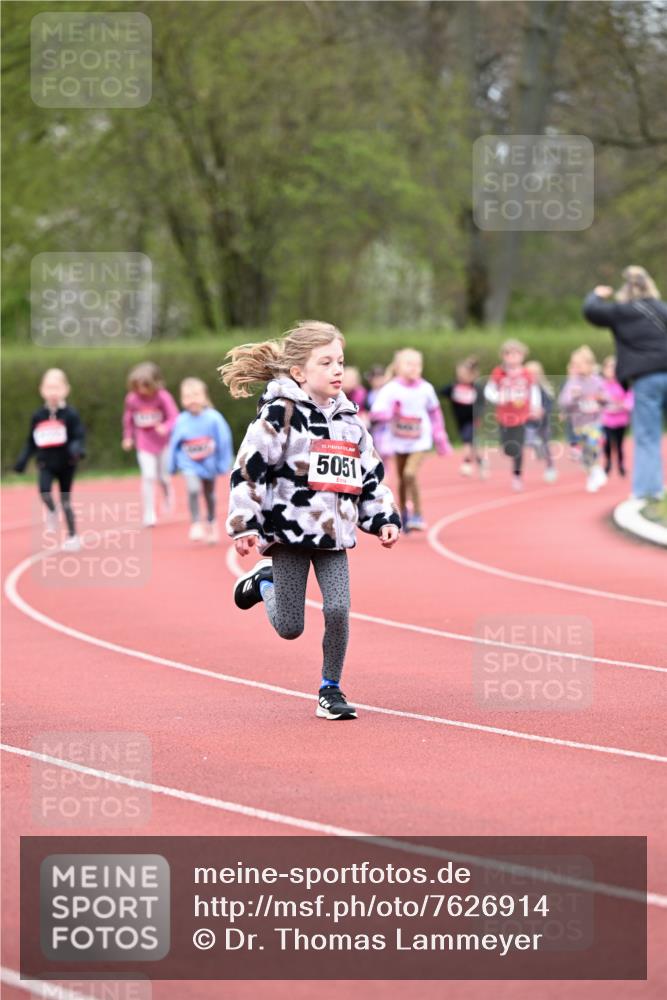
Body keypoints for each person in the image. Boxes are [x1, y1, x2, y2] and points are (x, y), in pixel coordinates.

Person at [221, 320, 401, 721]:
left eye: (340, 361)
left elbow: (369, 475)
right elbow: (249, 470)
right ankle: (263, 580)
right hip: (288, 534)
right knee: (289, 627)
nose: (338, 369)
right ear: (299, 372)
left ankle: (330, 689)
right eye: (326, 362)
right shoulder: (279, 414)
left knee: (338, 610)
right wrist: (245, 524)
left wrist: (383, 517)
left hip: (333, 537)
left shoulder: (352, 421)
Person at [583, 266, 667, 499]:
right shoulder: (663, 309)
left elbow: (591, 311)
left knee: (648, 436)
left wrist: (597, 294)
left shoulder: (622, 311)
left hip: (646, 377)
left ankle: (647, 491)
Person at [369, 348, 451, 531]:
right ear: (398, 367)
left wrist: (440, 437)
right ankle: (404, 513)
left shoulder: (426, 389)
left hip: (420, 441)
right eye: (410, 364)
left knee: (410, 474)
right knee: (402, 481)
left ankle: (418, 514)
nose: (415, 368)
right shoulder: (390, 389)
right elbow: (376, 413)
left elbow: (435, 413)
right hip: (398, 441)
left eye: (418, 364)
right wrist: (390, 412)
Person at [13, 368, 86, 551]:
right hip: (45, 463)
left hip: (66, 464)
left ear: (66, 389)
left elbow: (79, 435)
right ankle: (52, 511)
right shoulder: (38, 416)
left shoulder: (70, 414)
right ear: (41, 390)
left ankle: (73, 536)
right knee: (44, 491)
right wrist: (22, 461)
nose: (53, 392)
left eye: (57, 388)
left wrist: (77, 449)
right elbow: (31, 441)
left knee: (66, 500)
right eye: (49, 388)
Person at [168, 377, 234, 544]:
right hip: (188, 463)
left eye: (196, 395)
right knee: (193, 489)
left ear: (205, 397)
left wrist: (223, 463)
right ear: (182, 399)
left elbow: (224, 441)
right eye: (187, 396)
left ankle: (211, 523)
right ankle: (196, 523)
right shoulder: (181, 420)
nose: (192, 400)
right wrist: (171, 465)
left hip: (209, 464)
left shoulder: (214, 418)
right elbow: (174, 443)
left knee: (209, 495)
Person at [122, 362, 179, 527]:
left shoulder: (163, 396)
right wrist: (128, 437)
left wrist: (165, 427)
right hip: (143, 443)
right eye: (137, 386)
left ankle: (168, 494)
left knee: (163, 477)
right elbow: (128, 419)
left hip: (163, 444)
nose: (141, 391)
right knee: (148, 476)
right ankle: (149, 513)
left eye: (145, 386)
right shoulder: (132, 399)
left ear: (155, 383)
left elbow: (174, 417)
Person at [483, 340, 540, 491]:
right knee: (507, 448)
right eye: (509, 353)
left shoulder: (526, 373)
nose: (513, 357)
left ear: (523, 355)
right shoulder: (498, 372)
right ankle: (514, 457)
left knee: (518, 447)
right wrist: (499, 397)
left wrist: (535, 406)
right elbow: (489, 390)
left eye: (516, 353)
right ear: (503, 356)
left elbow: (533, 390)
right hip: (504, 416)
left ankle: (517, 476)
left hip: (521, 416)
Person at [558, 346, 608, 493]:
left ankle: (597, 470)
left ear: (590, 365)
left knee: (593, 445)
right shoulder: (573, 382)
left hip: (595, 422)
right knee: (585, 455)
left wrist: (602, 398)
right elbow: (563, 401)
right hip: (579, 425)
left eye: (580, 365)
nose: (577, 368)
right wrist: (572, 397)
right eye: (574, 365)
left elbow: (608, 397)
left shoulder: (597, 381)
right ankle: (592, 475)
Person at [440, 356, 488, 478]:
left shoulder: (476, 387)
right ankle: (481, 461)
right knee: (472, 444)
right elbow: (440, 392)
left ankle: (466, 463)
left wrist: (479, 417)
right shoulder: (453, 387)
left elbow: (482, 403)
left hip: (472, 419)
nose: (462, 377)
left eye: (465, 374)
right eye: (459, 374)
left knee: (468, 440)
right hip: (459, 420)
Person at [524, 361, 558, 483]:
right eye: (530, 373)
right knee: (529, 439)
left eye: (535, 373)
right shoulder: (522, 389)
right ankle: (536, 446)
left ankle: (550, 467)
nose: (533, 376)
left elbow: (549, 404)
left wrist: (542, 411)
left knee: (546, 444)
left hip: (543, 421)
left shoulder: (544, 389)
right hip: (528, 421)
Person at [600, 356, 633, 478]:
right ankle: (608, 462)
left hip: (621, 420)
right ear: (604, 369)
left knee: (619, 444)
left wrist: (624, 404)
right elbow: (597, 399)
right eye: (609, 367)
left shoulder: (623, 383)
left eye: (614, 367)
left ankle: (620, 464)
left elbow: (630, 398)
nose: (611, 370)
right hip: (606, 419)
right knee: (607, 442)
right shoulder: (602, 384)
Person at [365, 363, 393, 464]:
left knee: (384, 456)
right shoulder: (368, 394)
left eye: (380, 378)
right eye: (375, 378)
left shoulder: (388, 392)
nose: (378, 381)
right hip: (373, 429)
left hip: (386, 429)